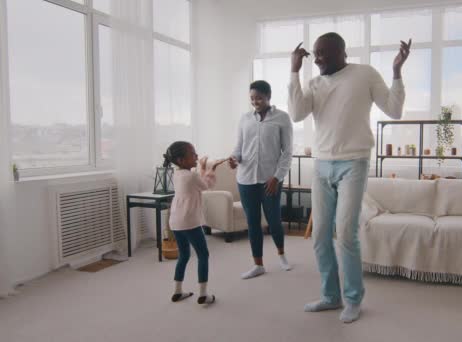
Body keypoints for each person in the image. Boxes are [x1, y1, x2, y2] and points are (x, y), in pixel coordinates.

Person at [288, 32, 411, 323]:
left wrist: (396, 72)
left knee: (345, 234)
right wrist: (293, 71)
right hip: (321, 166)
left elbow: (394, 110)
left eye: (322, 53)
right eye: (314, 54)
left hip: (353, 163)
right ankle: (331, 297)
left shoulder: (364, 74)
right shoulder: (314, 83)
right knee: (319, 236)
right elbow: (295, 113)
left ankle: (353, 299)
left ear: (341, 52)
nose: (316, 59)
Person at [229, 80, 294, 279]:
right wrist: (234, 158)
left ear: (268, 97)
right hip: (246, 178)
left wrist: (277, 177)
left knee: (273, 220)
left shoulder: (282, 118)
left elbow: (287, 152)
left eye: (259, 98)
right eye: (252, 98)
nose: (255, 102)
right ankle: (258, 264)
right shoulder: (245, 119)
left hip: (270, 179)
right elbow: (239, 147)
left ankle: (282, 255)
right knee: (253, 222)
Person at [163, 141, 224, 305]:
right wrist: (212, 169)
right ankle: (203, 294)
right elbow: (206, 185)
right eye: (193, 154)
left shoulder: (177, 174)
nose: (196, 156)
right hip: (190, 221)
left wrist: (203, 167)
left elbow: (198, 180)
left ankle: (177, 291)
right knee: (203, 255)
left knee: (183, 255)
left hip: (175, 221)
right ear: (181, 160)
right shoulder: (191, 176)